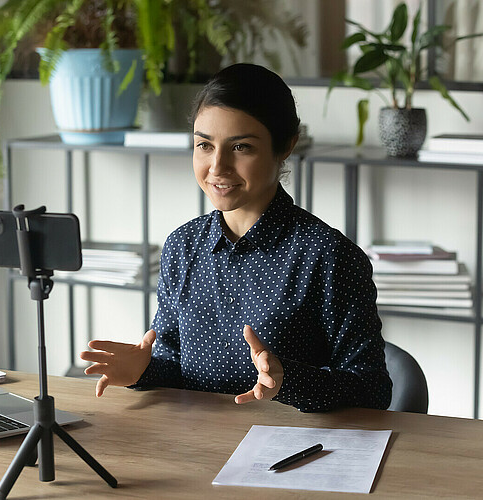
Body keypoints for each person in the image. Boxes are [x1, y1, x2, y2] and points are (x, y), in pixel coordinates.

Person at [80, 63, 392, 412]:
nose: (217, 167)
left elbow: (372, 391)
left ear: (286, 145)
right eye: (204, 145)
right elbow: (172, 368)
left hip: (294, 450)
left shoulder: (328, 255)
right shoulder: (182, 246)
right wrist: (141, 371)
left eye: (241, 147)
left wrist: (287, 380)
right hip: (197, 442)